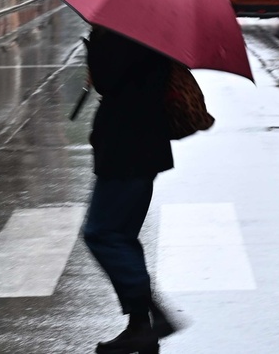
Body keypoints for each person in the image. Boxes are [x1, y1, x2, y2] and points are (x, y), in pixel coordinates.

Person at [82, 26, 178, 354]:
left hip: (127, 150)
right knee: (121, 236)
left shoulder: (123, 34)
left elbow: (109, 81)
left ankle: (154, 313)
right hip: (142, 147)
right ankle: (141, 327)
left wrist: (95, 45)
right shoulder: (152, 32)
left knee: (101, 233)